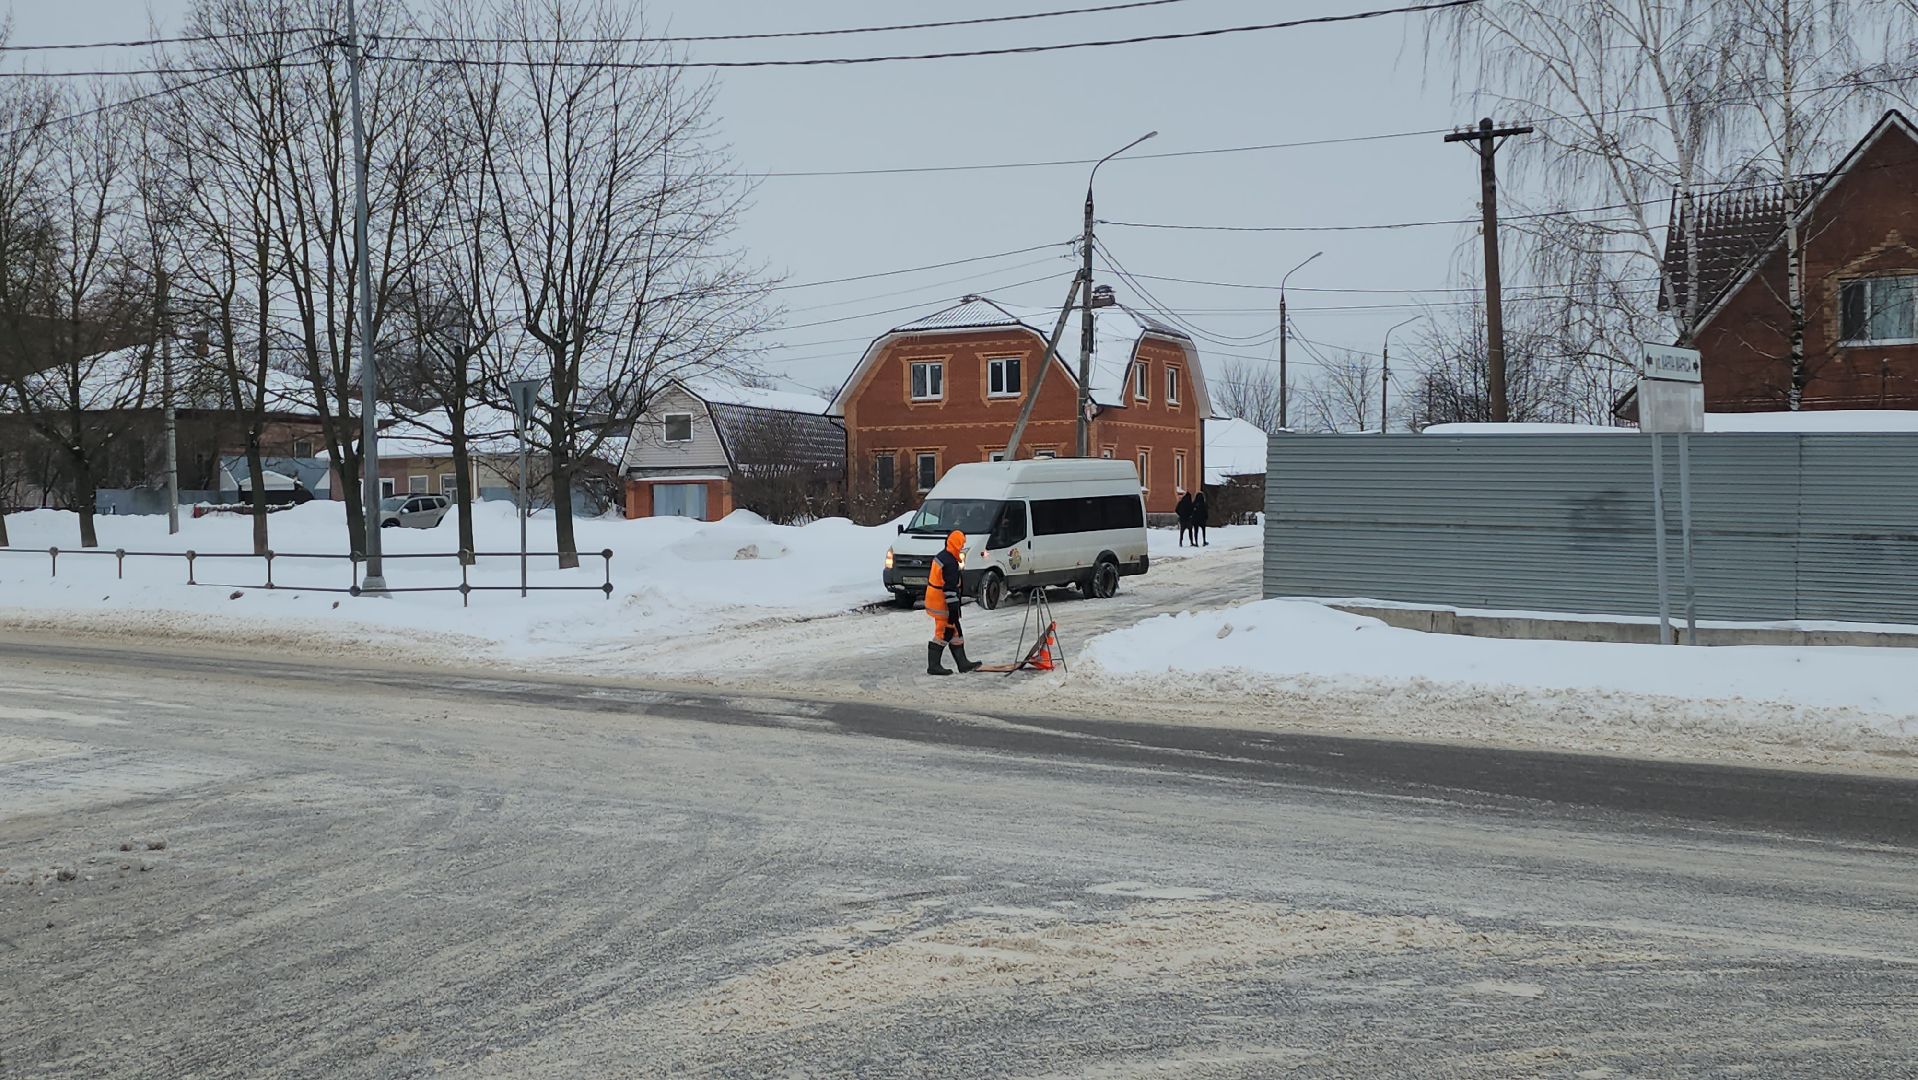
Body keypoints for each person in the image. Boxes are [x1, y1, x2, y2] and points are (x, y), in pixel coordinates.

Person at [926, 530, 983, 675]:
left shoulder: (943, 556)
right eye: (962, 544)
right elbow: (950, 588)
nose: (962, 547)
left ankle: (963, 664)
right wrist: (953, 610)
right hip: (942, 603)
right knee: (944, 632)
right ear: (956, 544)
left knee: (955, 631)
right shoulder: (950, 562)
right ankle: (934, 666)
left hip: (935, 599)